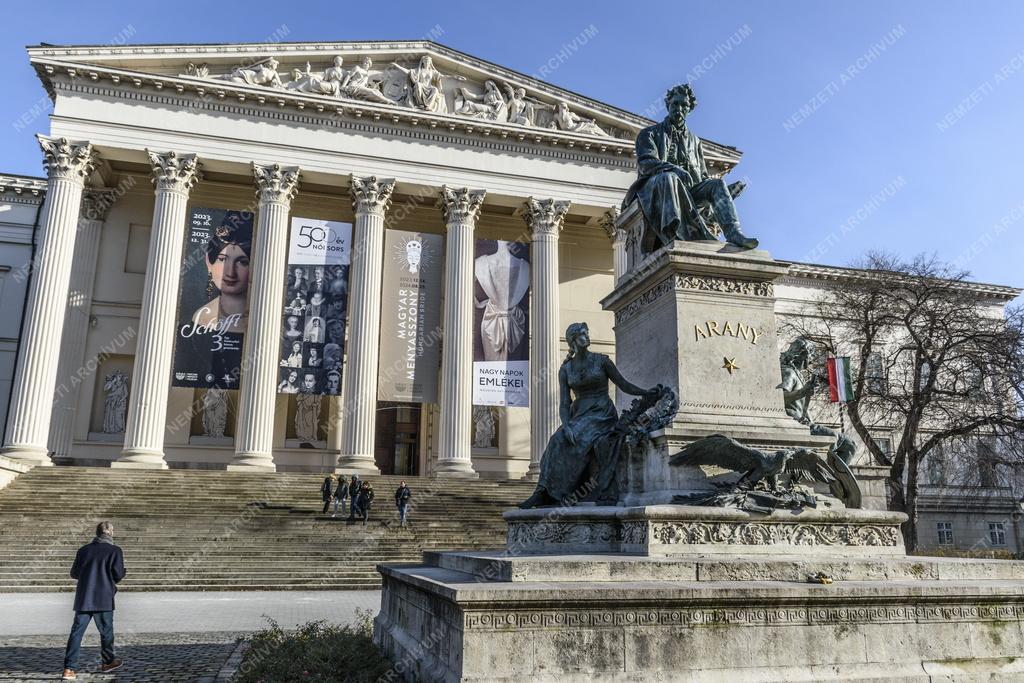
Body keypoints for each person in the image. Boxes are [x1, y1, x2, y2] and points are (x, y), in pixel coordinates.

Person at [519, 322, 658, 509]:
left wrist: (646, 393)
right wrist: (566, 425)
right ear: (573, 341)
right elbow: (564, 403)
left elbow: (623, 384)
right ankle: (544, 492)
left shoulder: (602, 361)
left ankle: (550, 493)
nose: (587, 337)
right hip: (579, 415)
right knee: (557, 439)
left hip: (602, 414)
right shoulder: (566, 369)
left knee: (572, 439)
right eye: (582, 335)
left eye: (587, 333)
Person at [623, 83, 758, 252]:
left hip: (688, 193)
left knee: (717, 184)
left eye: (683, 105)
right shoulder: (649, 134)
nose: (679, 108)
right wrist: (674, 169)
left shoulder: (695, 142)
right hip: (655, 189)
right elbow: (646, 163)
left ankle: (734, 232)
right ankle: (672, 234)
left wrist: (726, 194)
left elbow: (702, 178)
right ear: (667, 105)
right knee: (669, 177)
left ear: (689, 109)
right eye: (675, 104)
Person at [62, 522, 125, 681]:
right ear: (110, 533)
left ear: (97, 533)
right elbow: (117, 575)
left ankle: (69, 669)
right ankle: (108, 662)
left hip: (84, 597)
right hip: (103, 597)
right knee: (106, 632)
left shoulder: (83, 550)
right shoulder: (115, 551)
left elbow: (74, 573)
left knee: (77, 632)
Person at [190, 216, 252, 334]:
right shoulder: (201, 317)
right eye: (223, 260)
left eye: (242, 262)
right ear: (209, 262)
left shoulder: (259, 317)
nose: (230, 272)